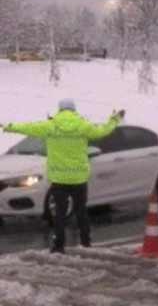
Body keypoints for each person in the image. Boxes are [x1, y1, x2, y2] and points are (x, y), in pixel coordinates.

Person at [0, 100, 124, 253]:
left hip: (59, 179)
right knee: (81, 211)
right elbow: (103, 131)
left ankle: (59, 245)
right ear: (73, 110)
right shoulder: (83, 125)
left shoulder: (50, 126)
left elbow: (27, 127)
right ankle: (86, 242)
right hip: (78, 178)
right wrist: (114, 119)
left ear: (60, 110)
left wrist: (5, 126)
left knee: (60, 213)